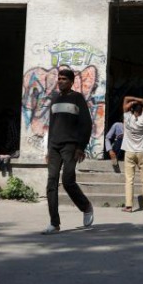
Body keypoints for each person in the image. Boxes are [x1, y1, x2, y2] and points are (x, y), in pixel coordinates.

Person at [41, 68, 94, 234]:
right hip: (54, 146)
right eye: (59, 78)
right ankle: (54, 223)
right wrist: (48, 149)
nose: (61, 81)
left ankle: (86, 206)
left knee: (68, 179)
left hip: (71, 145)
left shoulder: (77, 98)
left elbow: (86, 124)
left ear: (71, 82)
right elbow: (52, 125)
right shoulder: (55, 99)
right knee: (51, 182)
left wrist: (81, 147)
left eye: (64, 79)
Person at [121, 96, 143, 212]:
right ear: (141, 111)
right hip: (141, 151)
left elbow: (125, 100)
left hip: (129, 152)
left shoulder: (127, 117)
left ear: (132, 111)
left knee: (129, 179)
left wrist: (132, 101)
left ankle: (129, 206)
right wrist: (139, 101)